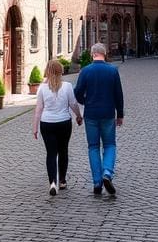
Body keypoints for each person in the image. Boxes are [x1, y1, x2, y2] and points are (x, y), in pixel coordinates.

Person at [73, 42, 124, 196]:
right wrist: (120, 114)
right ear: (105, 53)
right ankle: (107, 172)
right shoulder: (112, 71)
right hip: (108, 114)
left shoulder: (85, 71)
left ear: (92, 54)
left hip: (91, 115)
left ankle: (97, 182)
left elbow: (77, 92)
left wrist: (85, 101)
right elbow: (118, 95)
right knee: (109, 145)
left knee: (93, 147)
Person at [33, 58, 83, 196]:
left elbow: (39, 109)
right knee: (63, 151)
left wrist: (35, 127)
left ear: (47, 72)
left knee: (51, 153)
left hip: (47, 123)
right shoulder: (67, 86)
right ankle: (62, 180)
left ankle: (52, 183)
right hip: (64, 122)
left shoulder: (42, 88)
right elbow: (73, 103)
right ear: (61, 71)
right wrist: (78, 116)